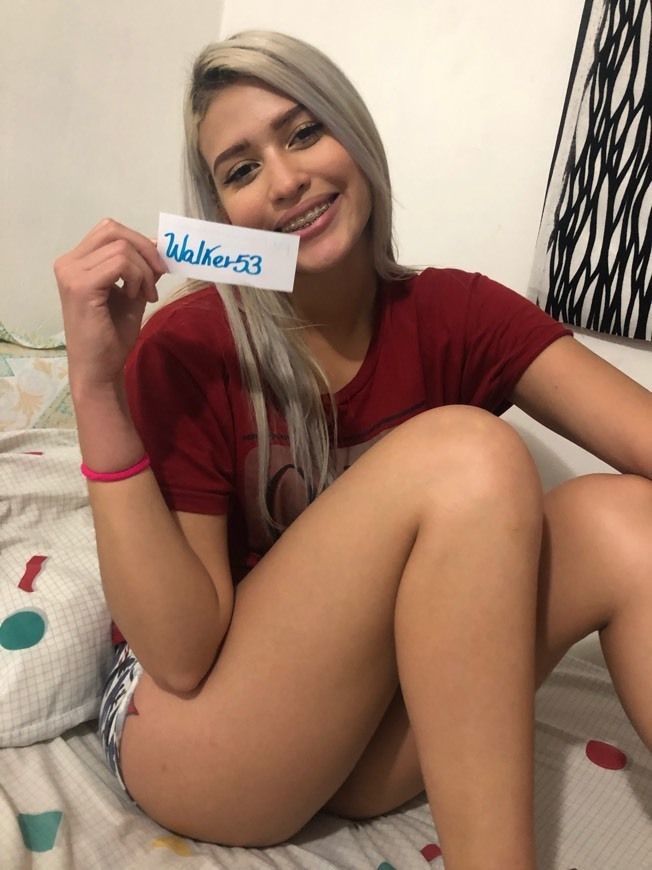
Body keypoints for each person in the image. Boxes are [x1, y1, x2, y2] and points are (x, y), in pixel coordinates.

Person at [54, 30, 652, 870]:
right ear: (221, 213)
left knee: (628, 520)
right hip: (199, 737)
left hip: (365, 729)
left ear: (355, 136)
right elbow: (181, 656)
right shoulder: (191, 346)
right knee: (468, 453)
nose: (285, 179)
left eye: (304, 132)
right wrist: (96, 387)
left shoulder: (454, 311)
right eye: (242, 169)